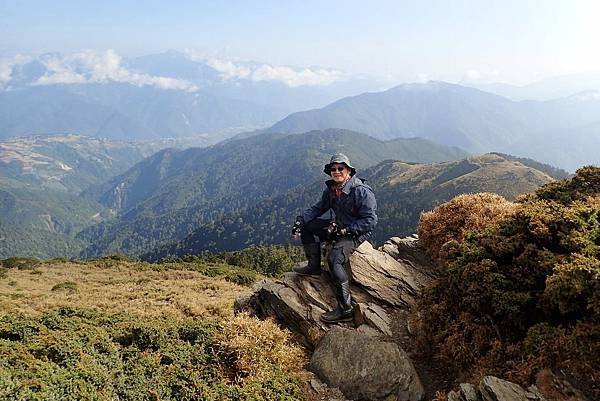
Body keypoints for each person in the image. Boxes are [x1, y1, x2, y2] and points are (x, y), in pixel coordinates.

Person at [291, 153, 378, 323]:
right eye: (333, 169)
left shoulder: (361, 191)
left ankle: (346, 309)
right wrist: (301, 220)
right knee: (308, 227)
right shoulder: (332, 189)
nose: (337, 171)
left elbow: (370, 220)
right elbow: (318, 208)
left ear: (349, 171)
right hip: (337, 227)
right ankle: (314, 267)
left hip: (355, 233)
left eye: (341, 168)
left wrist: (347, 231)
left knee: (334, 260)